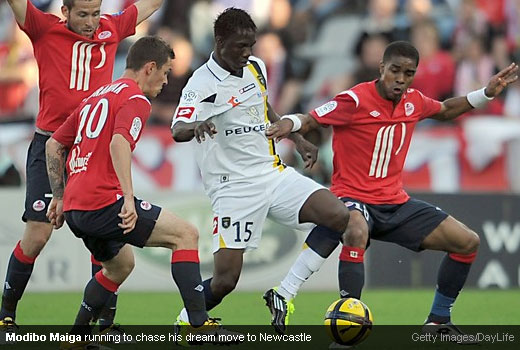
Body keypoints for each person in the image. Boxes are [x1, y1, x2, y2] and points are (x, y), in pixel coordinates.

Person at [266, 41, 518, 336]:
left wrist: (485, 93)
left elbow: (447, 109)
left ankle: (437, 321)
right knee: (355, 228)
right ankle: (349, 320)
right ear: (381, 68)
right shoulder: (355, 99)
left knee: (467, 242)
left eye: (408, 73)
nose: (400, 78)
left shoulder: (414, 101)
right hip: (351, 197)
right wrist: (288, 123)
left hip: (395, 202)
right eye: (395, 70)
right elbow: (311, 118)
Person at [45, 36, 237, 349]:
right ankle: (200, 326)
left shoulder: (96, 97)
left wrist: (59, 196)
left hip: (78, 207)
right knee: (186, 235)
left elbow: (54, 144)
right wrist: (129, 198)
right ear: (149, 68)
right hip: (103, 201)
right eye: (165, 72)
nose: (166, 81)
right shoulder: (135, 99)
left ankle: (75, 340)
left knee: (120, 266)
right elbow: (119, 143)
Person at [171, 7, 351, 332]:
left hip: (272, 173)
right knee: (226, 280)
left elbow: (263, 106)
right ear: (219, 40)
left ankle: (284, 292)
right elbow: (178, 128)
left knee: (339, 216)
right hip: (233, 187)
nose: (246, 53)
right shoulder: (202, 82)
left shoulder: (256, 66)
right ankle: (187, 323)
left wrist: (296, 138)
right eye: (239, 46)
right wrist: (195, 125)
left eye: (250, 45)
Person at [0, 0, 164, 337]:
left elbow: (150, 5)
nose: (91, 22)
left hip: (92, 147)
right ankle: (6, 315)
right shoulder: (44, 28)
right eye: (83, 15)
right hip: (51, 146)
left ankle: (104, 324)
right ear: (65, 11)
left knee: (107, 233)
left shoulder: (112, 27)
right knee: (38, 234)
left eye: (95, 13)